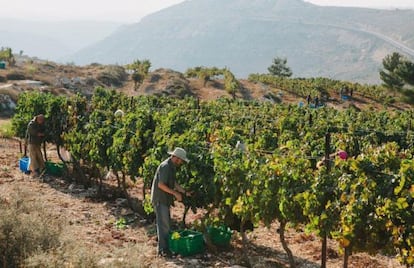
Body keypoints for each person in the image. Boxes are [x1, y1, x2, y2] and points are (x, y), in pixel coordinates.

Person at [150, 147, 191, 257]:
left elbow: (174, 182)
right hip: (160, 199)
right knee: (163, 225)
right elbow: (161, 185)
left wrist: (184, 191)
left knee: (166, 224)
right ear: (176, 158)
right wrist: (175, 193)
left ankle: (165, 249)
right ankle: (163, 251)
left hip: (165, 199)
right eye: (181, 160)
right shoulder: (165, 166)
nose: (181, 162)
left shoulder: (171, 167)